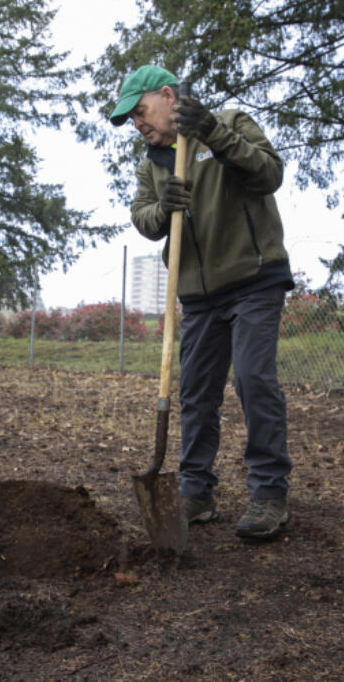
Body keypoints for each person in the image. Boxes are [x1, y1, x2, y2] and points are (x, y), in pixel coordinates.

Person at [112, 65, 294, 540]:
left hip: (253, 279)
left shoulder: (230, 124)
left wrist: (212, 133)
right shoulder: (153, 162)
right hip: (197, 296)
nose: (138, 123)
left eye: (140, 111)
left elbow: (269, 173)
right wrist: (164, 206)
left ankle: (269, 494)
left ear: (168, 96)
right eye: (131, 119)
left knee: (254, 380)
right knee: (195, 393)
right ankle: (195, 492)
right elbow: (143, 217)